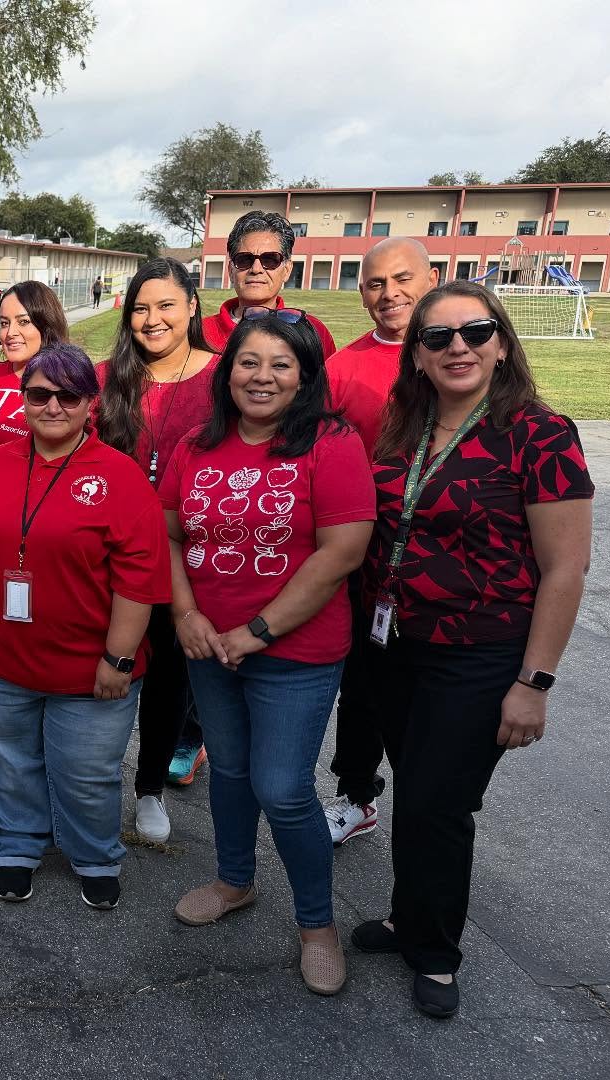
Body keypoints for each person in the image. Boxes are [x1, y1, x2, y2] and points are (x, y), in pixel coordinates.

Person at [354, 282, 592, 1019]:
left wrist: (535, 681)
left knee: (438, 802)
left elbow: (565, 569)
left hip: (480, 652)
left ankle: (437, 952)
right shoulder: (403, 425)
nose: (458, 346)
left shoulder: (540, 434)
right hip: (392, 644)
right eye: (438, 337)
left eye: (475, 330)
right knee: (415, 787)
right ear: (417, 356)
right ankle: (407, 916)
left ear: (500, 342)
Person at [160, 310, 374, 997]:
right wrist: (187, 613)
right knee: (228, 770)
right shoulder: (196, 443)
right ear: (228, 371)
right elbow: (164, 535)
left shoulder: (331, 443)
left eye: (282, 364)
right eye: (249, 361)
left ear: (306, 376)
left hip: (295, 650)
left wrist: (257, 631)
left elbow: (343, 550)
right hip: (207, 643)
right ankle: (234, 880)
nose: (263, 376)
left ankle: (318, 926)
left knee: (281, 788)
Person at [0, 342, 170, 911]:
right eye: (39, 395)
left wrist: (119, 659)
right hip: (0, 658)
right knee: (13, 760)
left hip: (91, 666)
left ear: (90, 404)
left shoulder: (120, 477)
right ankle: (17, 843)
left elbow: (140, 578)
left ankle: (94, 853)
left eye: (68, 396)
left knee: (86, 773)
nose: (52, 406)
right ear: (23, 400)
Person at [95, 257, 217, 844]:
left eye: (166, 305)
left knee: (169, 681)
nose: (152, 318)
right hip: (108, 556)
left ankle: (148, 791)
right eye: (141, 307)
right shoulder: (107, 377)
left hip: (185, 558)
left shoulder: (222, 379)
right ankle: (87, 784)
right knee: (104, 674)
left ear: (192, 307)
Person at [321, 237, 438, 846]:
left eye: (402, 278)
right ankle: (356, 796)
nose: (389, 294)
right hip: (368, 559)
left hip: (448, 561)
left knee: (434, 695)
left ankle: (431, 809)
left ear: (433, 277)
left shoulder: (462, 354)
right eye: (374, 283)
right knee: (362, 685)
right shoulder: (342, 367)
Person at [203, 211, 337, 358]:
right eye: (244, 260)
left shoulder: (313, 332)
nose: (256, 269)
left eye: (270, 260)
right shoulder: (199, 333)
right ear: (230, 270)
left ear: (286, 270)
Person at [0, 280, 68, 465]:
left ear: (46, 324)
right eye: (4, 323)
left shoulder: (66, 384)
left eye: (23, 322)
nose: (10, 332)